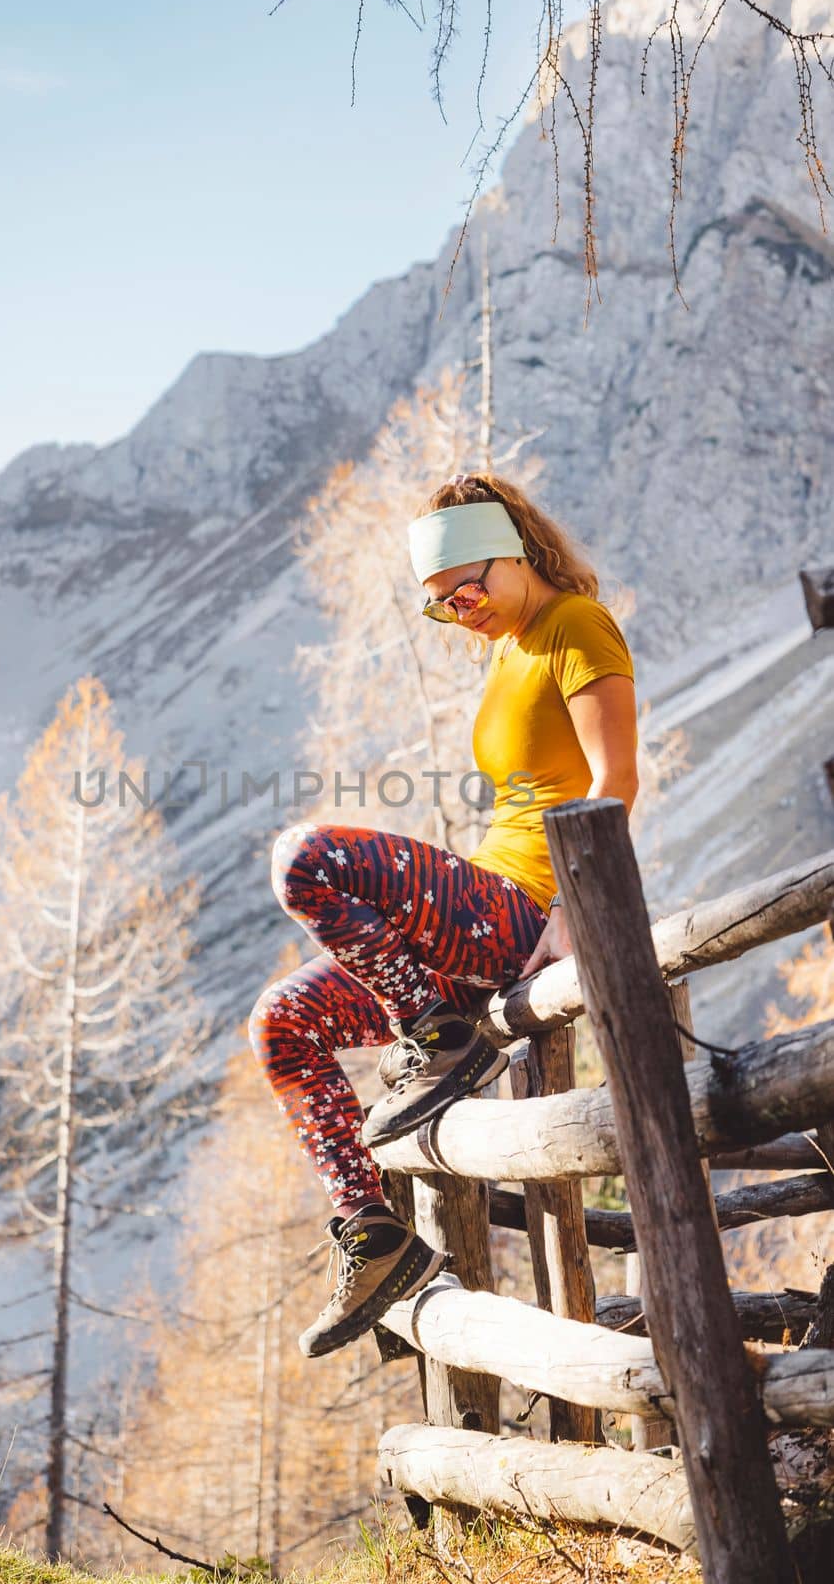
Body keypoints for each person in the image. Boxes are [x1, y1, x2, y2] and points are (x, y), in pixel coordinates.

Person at [248, 470, 639, 1358]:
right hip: (481, 913)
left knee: (306, 858)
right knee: (283, 1022)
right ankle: (373, 1235)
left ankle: (432, 1030)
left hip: (525, 912)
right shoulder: (506, 650)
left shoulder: (575, 625)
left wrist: (574, 922)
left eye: (468, 588)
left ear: (514, 551)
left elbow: (615, 781)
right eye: (440, 605)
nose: (462, 610)